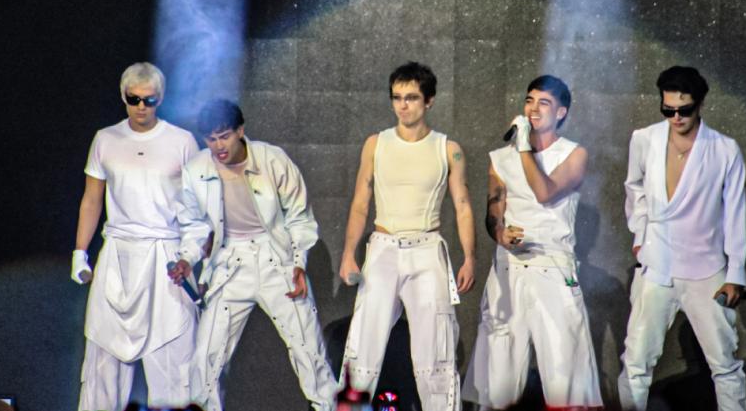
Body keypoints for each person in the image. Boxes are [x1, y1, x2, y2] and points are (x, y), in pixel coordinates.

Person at [169, 99, 337, 411]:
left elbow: (299, 217)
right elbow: (194, 226)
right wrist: (186, 259)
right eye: (211, 139)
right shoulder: (196, 170)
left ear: (240, 131)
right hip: (230, 263)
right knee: (206, 358)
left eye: (224, 136)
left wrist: (299, 264)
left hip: (276, 259)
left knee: (309, 351)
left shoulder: (272, 159)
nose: (219, 146)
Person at [337, 61, 476, 411]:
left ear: (429, 101)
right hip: (383, 249)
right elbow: (360, 203)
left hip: (427, 251)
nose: (403, 105)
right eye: (397, 97)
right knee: (362, 349)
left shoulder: (448, 148)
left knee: (435, 355)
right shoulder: (376, 144)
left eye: (411, 97)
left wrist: (469, 257)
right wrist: (348, 253)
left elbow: (462, 205)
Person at [462, 75, 604, 410]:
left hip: (553, 268)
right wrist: (501, 235)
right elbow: (493, 212)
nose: (533, 109)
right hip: (509, 270)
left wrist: (524, 146)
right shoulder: (501, 158)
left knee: (565, 375)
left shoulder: (574, 154)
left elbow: (544, 192)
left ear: (561, 112)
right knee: (499, 376)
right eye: (529, 100)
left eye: (544, 103)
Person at [618, 66, 746, 411]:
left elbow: (735, 214)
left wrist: (736, 272)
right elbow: (634, 188)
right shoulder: (644, 139)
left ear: (700, 104)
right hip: (656, 264)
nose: (676, 117)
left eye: (684, 110)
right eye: (668, 109)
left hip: (707, 269)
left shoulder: (725, 149)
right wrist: (640, 233)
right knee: (636, 362)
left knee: (725, 363)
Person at [72, 62, 200, 410]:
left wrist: (190, 256)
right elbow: (92, 199)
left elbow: (198, 209)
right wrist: (80, 253)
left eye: (149, 100)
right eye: (134, 99)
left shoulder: (182, 142)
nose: (141, 107)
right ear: (123, 97)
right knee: (103, 364)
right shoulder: (106, 139)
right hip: (118, 257)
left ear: (161, 98)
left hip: (165, 256)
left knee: (172, 360)